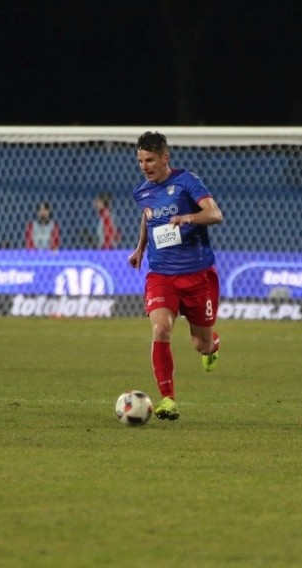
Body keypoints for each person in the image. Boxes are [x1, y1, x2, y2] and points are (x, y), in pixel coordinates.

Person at [127, 131, 223, 420]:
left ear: (165, 158)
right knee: (161, 329)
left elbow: (215, 214)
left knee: (200, 344)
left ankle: (212, 345)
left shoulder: (186, 182)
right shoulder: (142, 192)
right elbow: (148, 217)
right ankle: (167, 399)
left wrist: (188, 218)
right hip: (161, 275)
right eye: (141, 160)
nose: (145, 166)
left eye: (150, 160)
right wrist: (140, 248)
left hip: (197, 277)